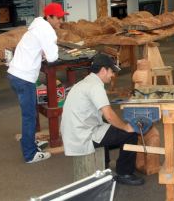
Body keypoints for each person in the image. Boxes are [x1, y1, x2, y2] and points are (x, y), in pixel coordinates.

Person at [61, 53, 144, 186]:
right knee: (130, 134)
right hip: (83, 136)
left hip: (75, 131)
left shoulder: (85, 82)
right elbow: (109, 115)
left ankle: (104, 164)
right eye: (111, 71)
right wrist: (126, 127)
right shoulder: (95, 86)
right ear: (104, 70)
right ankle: (124, 173)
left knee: (107, 127)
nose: (112, 75)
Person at [7, 2, 68, 163]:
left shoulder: (36, 26)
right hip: (23, 77)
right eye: (58, 18)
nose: (60, 21)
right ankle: (30, 154)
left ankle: (30, 142)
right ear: (49, 17)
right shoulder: (47, 30)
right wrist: (51, 48)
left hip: (15, 74)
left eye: (62, 17)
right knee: (29, 116)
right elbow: (53, 57)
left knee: (30, 113)